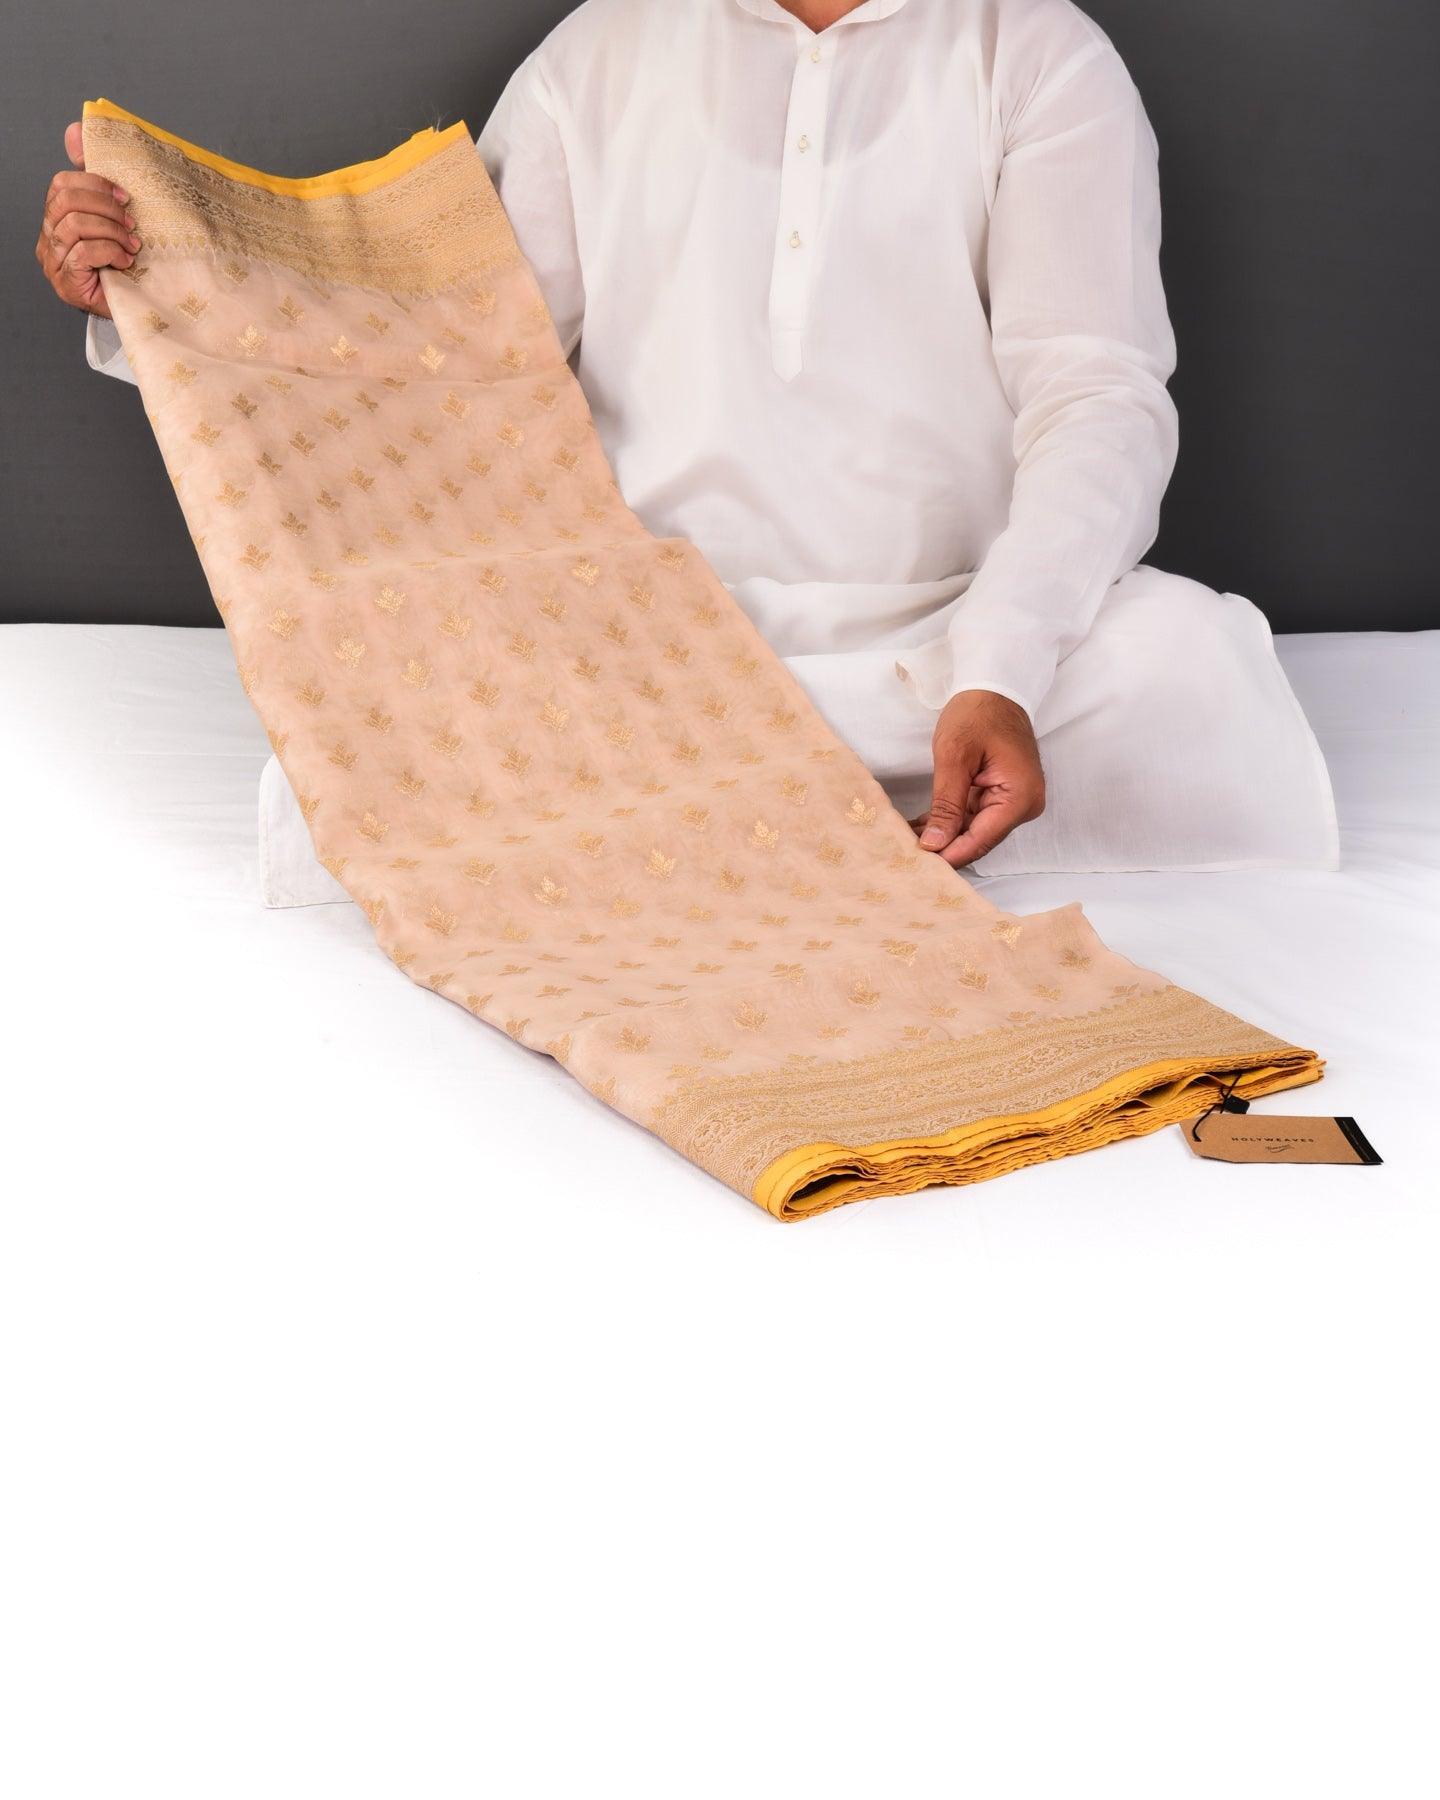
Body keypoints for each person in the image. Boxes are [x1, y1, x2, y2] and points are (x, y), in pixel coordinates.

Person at [36, 0, 1338, 875]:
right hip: (647, 649)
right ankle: (777, 797)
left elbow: (1098, 394)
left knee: (1181, 663)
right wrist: (151, 288)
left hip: (959, 651)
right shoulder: (601, 50)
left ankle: (750, 805)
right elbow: (437, 355)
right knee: (381, 693)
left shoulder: (1036, 50)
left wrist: (999, 668)